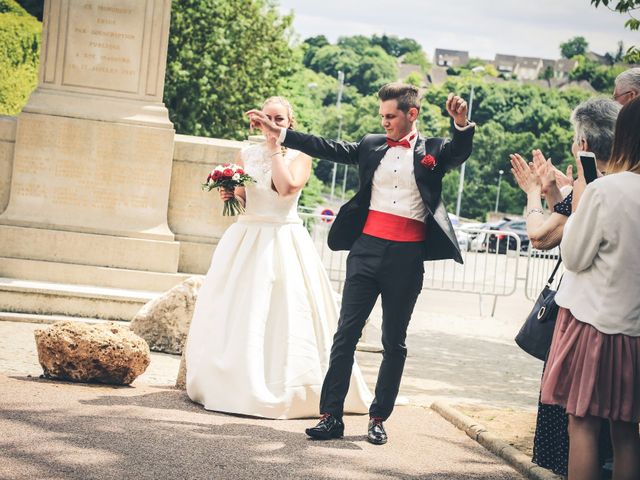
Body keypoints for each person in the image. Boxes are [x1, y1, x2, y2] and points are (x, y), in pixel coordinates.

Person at [248, 83, 474, 444]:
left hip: (407, 257)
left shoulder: (433, 151)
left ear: (411, 114)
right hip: (366, 252)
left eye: (390, 116)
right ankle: (330, 416)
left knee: (393, 341)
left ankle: (378, 418)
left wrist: (461, 125)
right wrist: (282, 133)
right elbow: (328, 147)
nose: (383, 121)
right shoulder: (371, 145)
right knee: (345, 334)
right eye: (381, 115)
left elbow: (459, 151)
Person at [185, 96, 372, 419]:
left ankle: (291, 386)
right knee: (238, 309)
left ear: (289, 124)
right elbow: (248, 198)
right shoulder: (245, 153)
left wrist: (275, 148)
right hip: (245, 237)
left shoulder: (301, 154)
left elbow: (286, 189)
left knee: (284, 311)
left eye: (279, 119)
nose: (272, 123)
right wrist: (230, 193)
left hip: (283, 239)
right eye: (267, 117)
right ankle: (229, 381)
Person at [511, 97, 620, 477]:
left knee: (577, 417)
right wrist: (556, 192)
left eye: (576, 140)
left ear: (585, 144)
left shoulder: (596, 189)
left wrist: (530, 193)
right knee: (620, 426)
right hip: (623, 323)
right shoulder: (616, 185)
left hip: (584, 317)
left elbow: (549, 240)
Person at [540, 96, 640, 480]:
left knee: (582, 424)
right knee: (627, 431)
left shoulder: (605, 191)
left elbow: (576, 254)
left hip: (592, 324)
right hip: (634, 329)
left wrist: (578, 197)